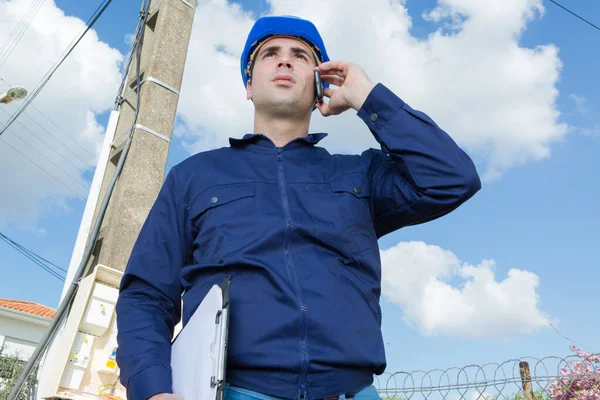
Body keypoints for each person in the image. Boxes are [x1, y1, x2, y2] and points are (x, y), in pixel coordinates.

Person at [115, 14, 481, 400]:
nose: (285, 61)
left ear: (320, 84)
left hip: (352, 391)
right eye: (270, 54)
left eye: (301, 56)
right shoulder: (195, 176)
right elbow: (146, 294)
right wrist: (153, 391)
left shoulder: (359, 174)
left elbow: (452, 178)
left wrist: (365, 95)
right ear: (248, 85)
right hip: (237, 391)